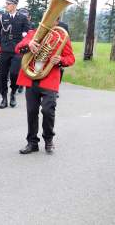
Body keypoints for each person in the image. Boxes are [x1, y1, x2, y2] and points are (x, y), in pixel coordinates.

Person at [15, 25, 75, 154]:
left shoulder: (62, 36)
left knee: (48, 111)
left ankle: (49, 140)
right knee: (31, 111)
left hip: (50, 79)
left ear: (57, 20)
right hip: (31, 77)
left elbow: (71, 58)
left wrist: (61, 60)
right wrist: (29, 44)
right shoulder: (33, 33)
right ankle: (32, 142)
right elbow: (18, 48)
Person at [0, 0, 30, 109]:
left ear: (14, 5)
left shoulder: (22, 18)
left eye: (8, 4)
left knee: (15, 73)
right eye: (6, 3)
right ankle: (4, 98)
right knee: (3, 75)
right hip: (5, 49)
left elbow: (27, 33)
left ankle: (13, 93)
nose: (6, 6)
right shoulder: (2, 17)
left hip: (17, 49)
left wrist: (24, 43)